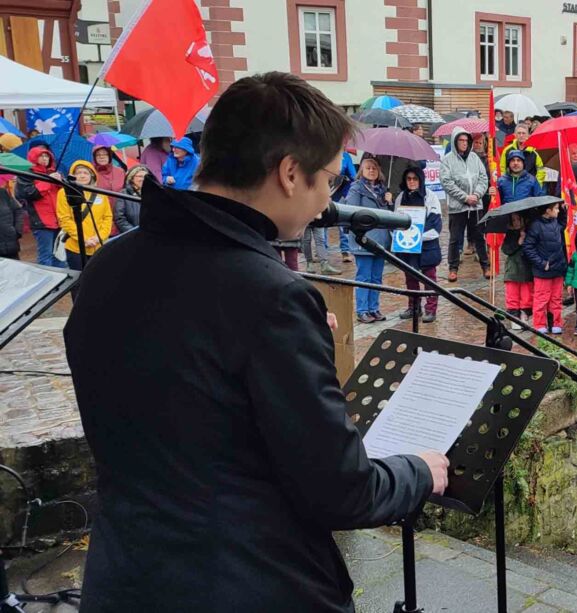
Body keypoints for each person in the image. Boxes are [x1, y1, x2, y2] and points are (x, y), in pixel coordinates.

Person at [63, 73, 447, 612]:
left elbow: (181, 375)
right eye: (328, 182)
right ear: (290, 172)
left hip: (127, 576)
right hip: (247, 582)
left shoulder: (109, 265)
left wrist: (281, 346)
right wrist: (417, 471)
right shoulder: (270, 297)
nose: (325, 204)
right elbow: (340, 490)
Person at [347, 156, 393, 323]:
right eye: (368, 168)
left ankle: (374, 307)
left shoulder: (382, 190)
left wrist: (388, 202)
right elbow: (352, 212)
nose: (371, 171)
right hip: (364, 239)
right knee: (364, 277)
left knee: (376, 277)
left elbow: (388, 215)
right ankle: (362, 310)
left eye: (374, 168)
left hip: (380, 240)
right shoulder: (356, 189)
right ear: (362, 171)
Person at [441, 126, 489, 282]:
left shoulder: (475, 158)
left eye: (466, 140)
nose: (464, 143)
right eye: (460, 140)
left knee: (479, 237)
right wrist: (464, 197)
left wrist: (476, 195)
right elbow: (447, 182)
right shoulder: (448, 160)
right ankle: (453, 268)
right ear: (455, 142)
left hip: (475, 206)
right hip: (458, 207)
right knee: (455, 238)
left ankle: (485, 265)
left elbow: (483, 178)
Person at [394, 166, 442, 323]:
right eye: (409, 179)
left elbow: (435, 224)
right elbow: (396, 221)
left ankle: (431, 309)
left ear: (420, 180)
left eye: (415, 179)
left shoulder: (431, 197)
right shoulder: (401, 197)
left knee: (429, 279)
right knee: (410, 278)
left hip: (426, 245)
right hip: (408, 246)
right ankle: (414, 307)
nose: (412, 182)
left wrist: (417, 236)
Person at [55, 160, 112, 271]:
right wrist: (84, 239)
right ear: (73, 175)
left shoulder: (101, 193)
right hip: (75, 247)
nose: (82, 175)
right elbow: (64, 219)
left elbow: (107, 217)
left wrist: (99, 237)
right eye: (78, 173)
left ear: (92, 175)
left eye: (86, 173)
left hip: (98, 246)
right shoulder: (64, 193)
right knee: (80, 280)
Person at [15, 146, 65, 268]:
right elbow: (27, 194)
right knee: (46, 256)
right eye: (41, 156)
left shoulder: (54, 172)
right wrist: (49, 182)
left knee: (60, 254)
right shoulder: (26, 174)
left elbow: (64, 194)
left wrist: (61, 181)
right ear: (33, 157)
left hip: (59, 220)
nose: (44, 158)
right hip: (42, 222)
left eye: (47, 156)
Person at [523, 201, 567, 334]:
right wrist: (542, 263)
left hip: (557, 268)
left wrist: (564, 211)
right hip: (543, 270)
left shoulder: (556, 222)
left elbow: (563, 225)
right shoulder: (536, 226)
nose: (558, 211)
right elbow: (528, 247)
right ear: (548, 211)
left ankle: (556, 323)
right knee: (541, 298)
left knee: (556, 298)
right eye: (556, 209)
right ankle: (540, 324)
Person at [502, 212, 534, 330]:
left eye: (518, 220)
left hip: (526, 270)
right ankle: (514, 316)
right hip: (513, 270)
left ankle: (524, 314)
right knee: (512, 295)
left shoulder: (529, 233)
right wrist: (518, 242)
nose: (516, 223)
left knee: (527, 295)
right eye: (513, 220)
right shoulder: (510, 234)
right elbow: (506, 250)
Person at [330, 151, 357, 262]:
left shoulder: (323, 153)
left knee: (323, 222)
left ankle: (322, 252)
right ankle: (345, 251)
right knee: (341, 222)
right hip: (339, 194)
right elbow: (354, 176)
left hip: (335, 193)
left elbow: (353, 176)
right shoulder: (345, 156)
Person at [114, 165, 149, 233]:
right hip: (132, 236)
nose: (143, 179)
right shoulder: (123, 193)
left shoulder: (152, 193)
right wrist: (135, 233)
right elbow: (120, 218)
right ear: (132, 178)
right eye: (140, 176)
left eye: (145, 176)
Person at [0, 177, 23, 259]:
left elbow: (18, 210)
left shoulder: (3, 193)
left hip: (10, 244)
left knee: (16, 270)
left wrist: (17, 231)